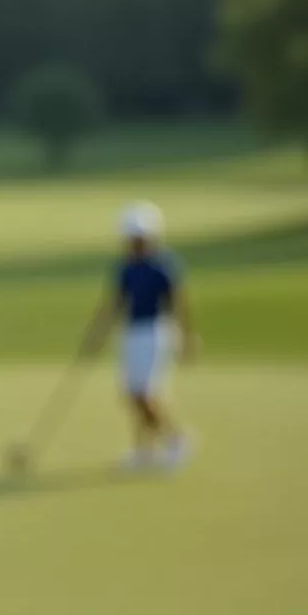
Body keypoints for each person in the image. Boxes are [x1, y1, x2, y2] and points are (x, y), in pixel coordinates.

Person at [80, 200, 198, 471]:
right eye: (130, 237)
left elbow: (179, 302)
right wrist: (96, 333)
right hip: (131, 333)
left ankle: (176, 439)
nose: (133, 243)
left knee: (144, 393)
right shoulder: (125, 268)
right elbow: (113, 304)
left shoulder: (163, 265)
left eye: (138, 237)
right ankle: (145, 451)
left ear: (151, 236)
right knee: (132, 393)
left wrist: (188, 336)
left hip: (156, 331)